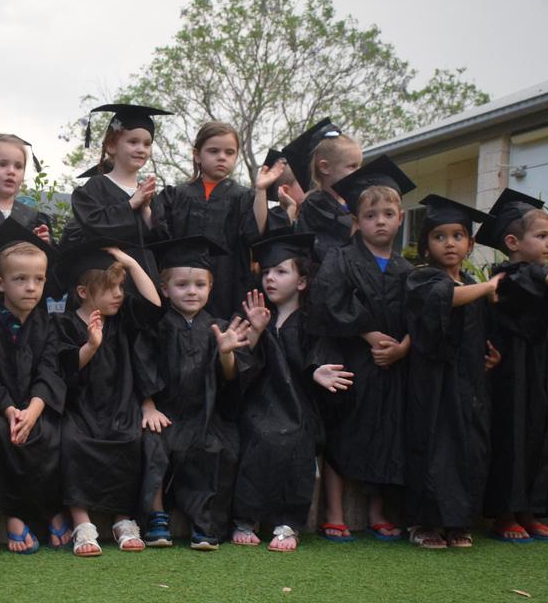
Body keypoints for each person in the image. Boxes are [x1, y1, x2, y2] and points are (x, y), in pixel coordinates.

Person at [306, 155, 415, 542]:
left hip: (392, 364)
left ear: (401, 218)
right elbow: (327, 301)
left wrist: (402, 347)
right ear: (357, 220)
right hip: (351, 358)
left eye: (388, 213)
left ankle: (378, 512)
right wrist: (368, 333)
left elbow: (420, 316)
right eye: (371, 215)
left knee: (389, 434)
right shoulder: (341, 259)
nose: (380, 221)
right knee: (343, 433)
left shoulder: (407, 270)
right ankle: (334, 512)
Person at [476, 189, 548, 544]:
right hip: (515, 380)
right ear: (512, 242)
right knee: (513, 441)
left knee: (545, 441)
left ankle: (531, 511)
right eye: (541, 236)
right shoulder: (504, 281)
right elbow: (524, 291)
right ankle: (505, 514)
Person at [136, 236, 254, 551]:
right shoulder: (156, 328)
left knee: (215, 447)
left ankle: (204, 525)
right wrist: (148, 406)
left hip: (205, 415)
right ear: (165, 289)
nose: (191, 291)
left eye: (200, 284)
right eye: (182, 284)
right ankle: (157, 516)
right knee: (151, 441)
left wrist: (227, 352)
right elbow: (142, 368)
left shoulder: (219, 327)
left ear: (210, 288)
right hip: (167, 413)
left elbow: (230, 378)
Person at [402, 195, 504, 550]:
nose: (450, 243)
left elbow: (486, 325)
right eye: (439, 236)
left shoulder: (474, 282)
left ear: (471, 243)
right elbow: (446, 298)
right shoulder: (422, 279)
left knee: (469, 447)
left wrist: (490, 354)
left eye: (458, 236)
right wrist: (488, 288)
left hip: (469, 383)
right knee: (432, 447)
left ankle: (459, 522)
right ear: (426, 244)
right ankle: (425, 523)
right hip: (431, 383)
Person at [231, 232, 341, 552]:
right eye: (265, 272)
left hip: (300, 406)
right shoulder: (254, 316)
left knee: (295, 437)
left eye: (281, 271)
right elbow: (239, 367)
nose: (270, 279)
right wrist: (255, 330)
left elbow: (319, 356)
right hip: (257, 403)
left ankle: (288, 521)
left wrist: (317, 369)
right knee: (256, 433)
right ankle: (245, 519)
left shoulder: (312, 322)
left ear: (302, 281)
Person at [54, 239, 164, 557]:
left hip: (118, 404)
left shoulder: (122, 318)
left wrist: (129, 263)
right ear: (84, 292)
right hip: (79, 407)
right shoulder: (63, 323)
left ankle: (123, 519)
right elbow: (65, 368)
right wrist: (90, 344)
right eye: (111, 287)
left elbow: (155, 304)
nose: (119, 294)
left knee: (130, 438)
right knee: (72, 440)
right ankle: (82, 522)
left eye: (121, 286)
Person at [0, 219, 69, 553]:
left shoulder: (50, 324)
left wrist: (34, 410)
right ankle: (12, 516)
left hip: (37, 407)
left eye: (38, 279)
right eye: (20, 279)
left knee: (53, 434)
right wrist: (12, 410)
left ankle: (51, 510)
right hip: (2, 409)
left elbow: (51, 370)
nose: (31, 287)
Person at [157, 122, 267, 320]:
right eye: (213, 151)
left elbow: (255, 233)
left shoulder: (244, 196)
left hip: (229, 282)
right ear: (197, 155)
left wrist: (261, 192)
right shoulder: (177, 195)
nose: (222, 157)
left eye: (230, 152)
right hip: (182, 285)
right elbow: (159, 234)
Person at [60, 104, 170, 263]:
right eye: (133, 142)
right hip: (106, 274)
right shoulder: (97, 186)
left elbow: (159, 243)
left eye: (147, 144)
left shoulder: (149, 195)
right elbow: (93, 227)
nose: (141, 149)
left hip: (144, 277)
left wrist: (146, 209)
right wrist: (131, 204)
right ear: (111, 146)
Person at [287, 118, 363, 263]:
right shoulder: (315, 205)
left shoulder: (354, 203)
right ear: (325, 167)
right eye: (352, 166)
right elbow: (324, 251)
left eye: (360, 165)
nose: (359, 172)